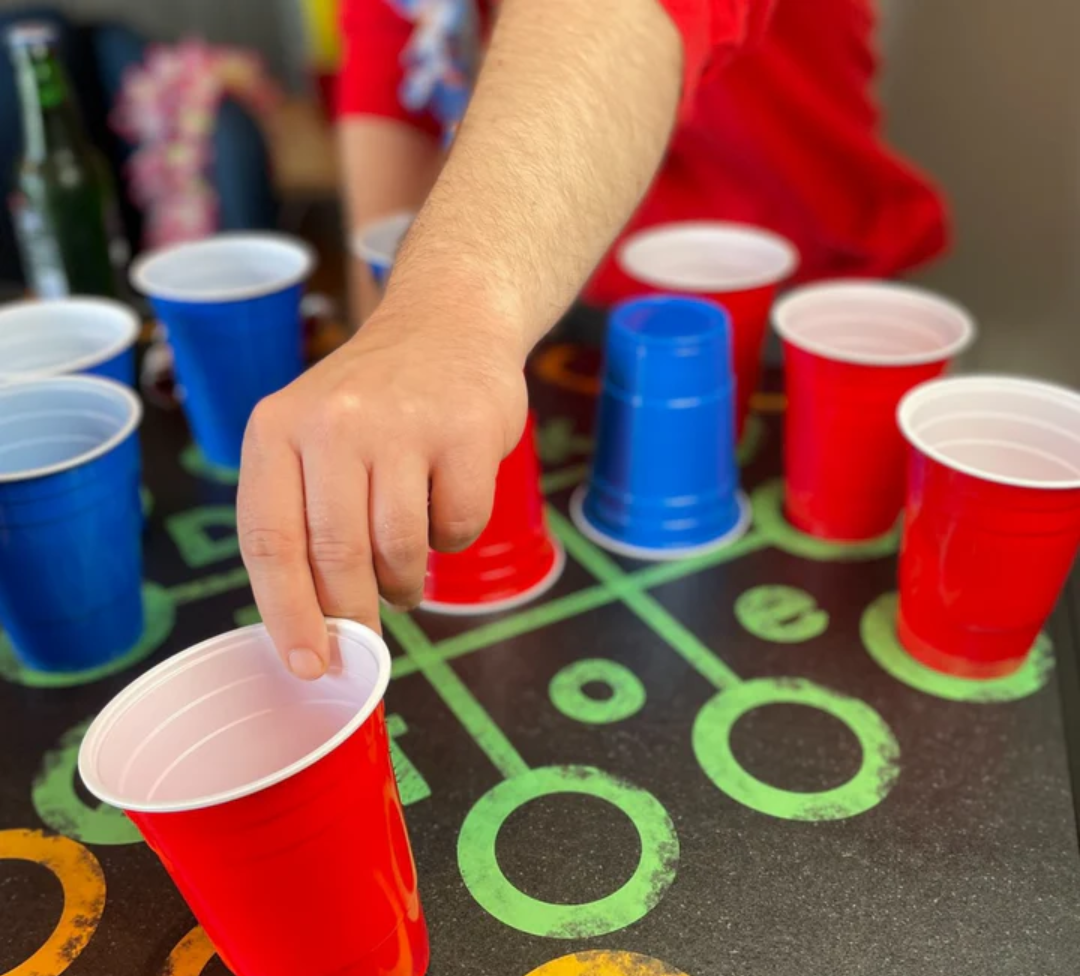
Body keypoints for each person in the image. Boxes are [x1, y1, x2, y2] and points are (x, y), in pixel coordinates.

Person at [237, 0, 949, 680]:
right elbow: (397, 85)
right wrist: (384, 362)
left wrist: (439, 317)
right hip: (550, 305)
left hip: (806, 307)